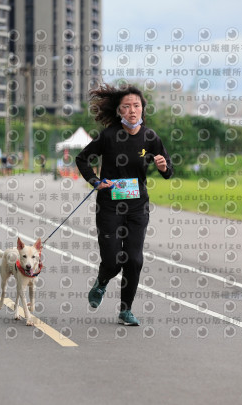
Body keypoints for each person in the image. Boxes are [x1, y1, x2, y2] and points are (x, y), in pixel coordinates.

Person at [76, 83, 173, 326]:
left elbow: (168, 170)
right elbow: (82, 159)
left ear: (143, 109)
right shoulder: (108, 136)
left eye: (136, 106)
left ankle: (125, 310)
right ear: (119, 111)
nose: (132, 110)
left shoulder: (150, 137)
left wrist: (163, 167)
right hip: (109, 206)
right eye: (126, 107)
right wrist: (95, 181)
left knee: (134, 259)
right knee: (113, 260)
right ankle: (101, 281)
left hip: (137, 207)